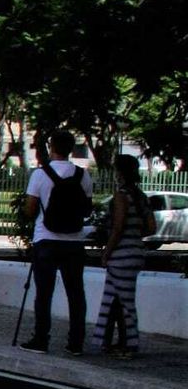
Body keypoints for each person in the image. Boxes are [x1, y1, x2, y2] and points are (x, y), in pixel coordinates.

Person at [20, 130, 92, 354]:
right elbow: (87, 208)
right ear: (71, 149)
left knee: (44, 293)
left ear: (51, 147)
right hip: (74, 240)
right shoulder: (83, 175)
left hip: (46, 238)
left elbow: (30, 209)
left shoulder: (40, 175)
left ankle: (41, 339)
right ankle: (76, 342)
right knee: (76, 293)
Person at [91, 154, 153, 357]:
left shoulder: (121, 196)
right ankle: (112, 341)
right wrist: (135, 234)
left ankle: (129, 344)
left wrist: (106, 252)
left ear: (120, 172)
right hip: (136, 252)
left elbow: (117, 227)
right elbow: (151, 227)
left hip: (121, 255)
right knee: (115, 299)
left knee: (123, 302)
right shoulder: (140, 196)